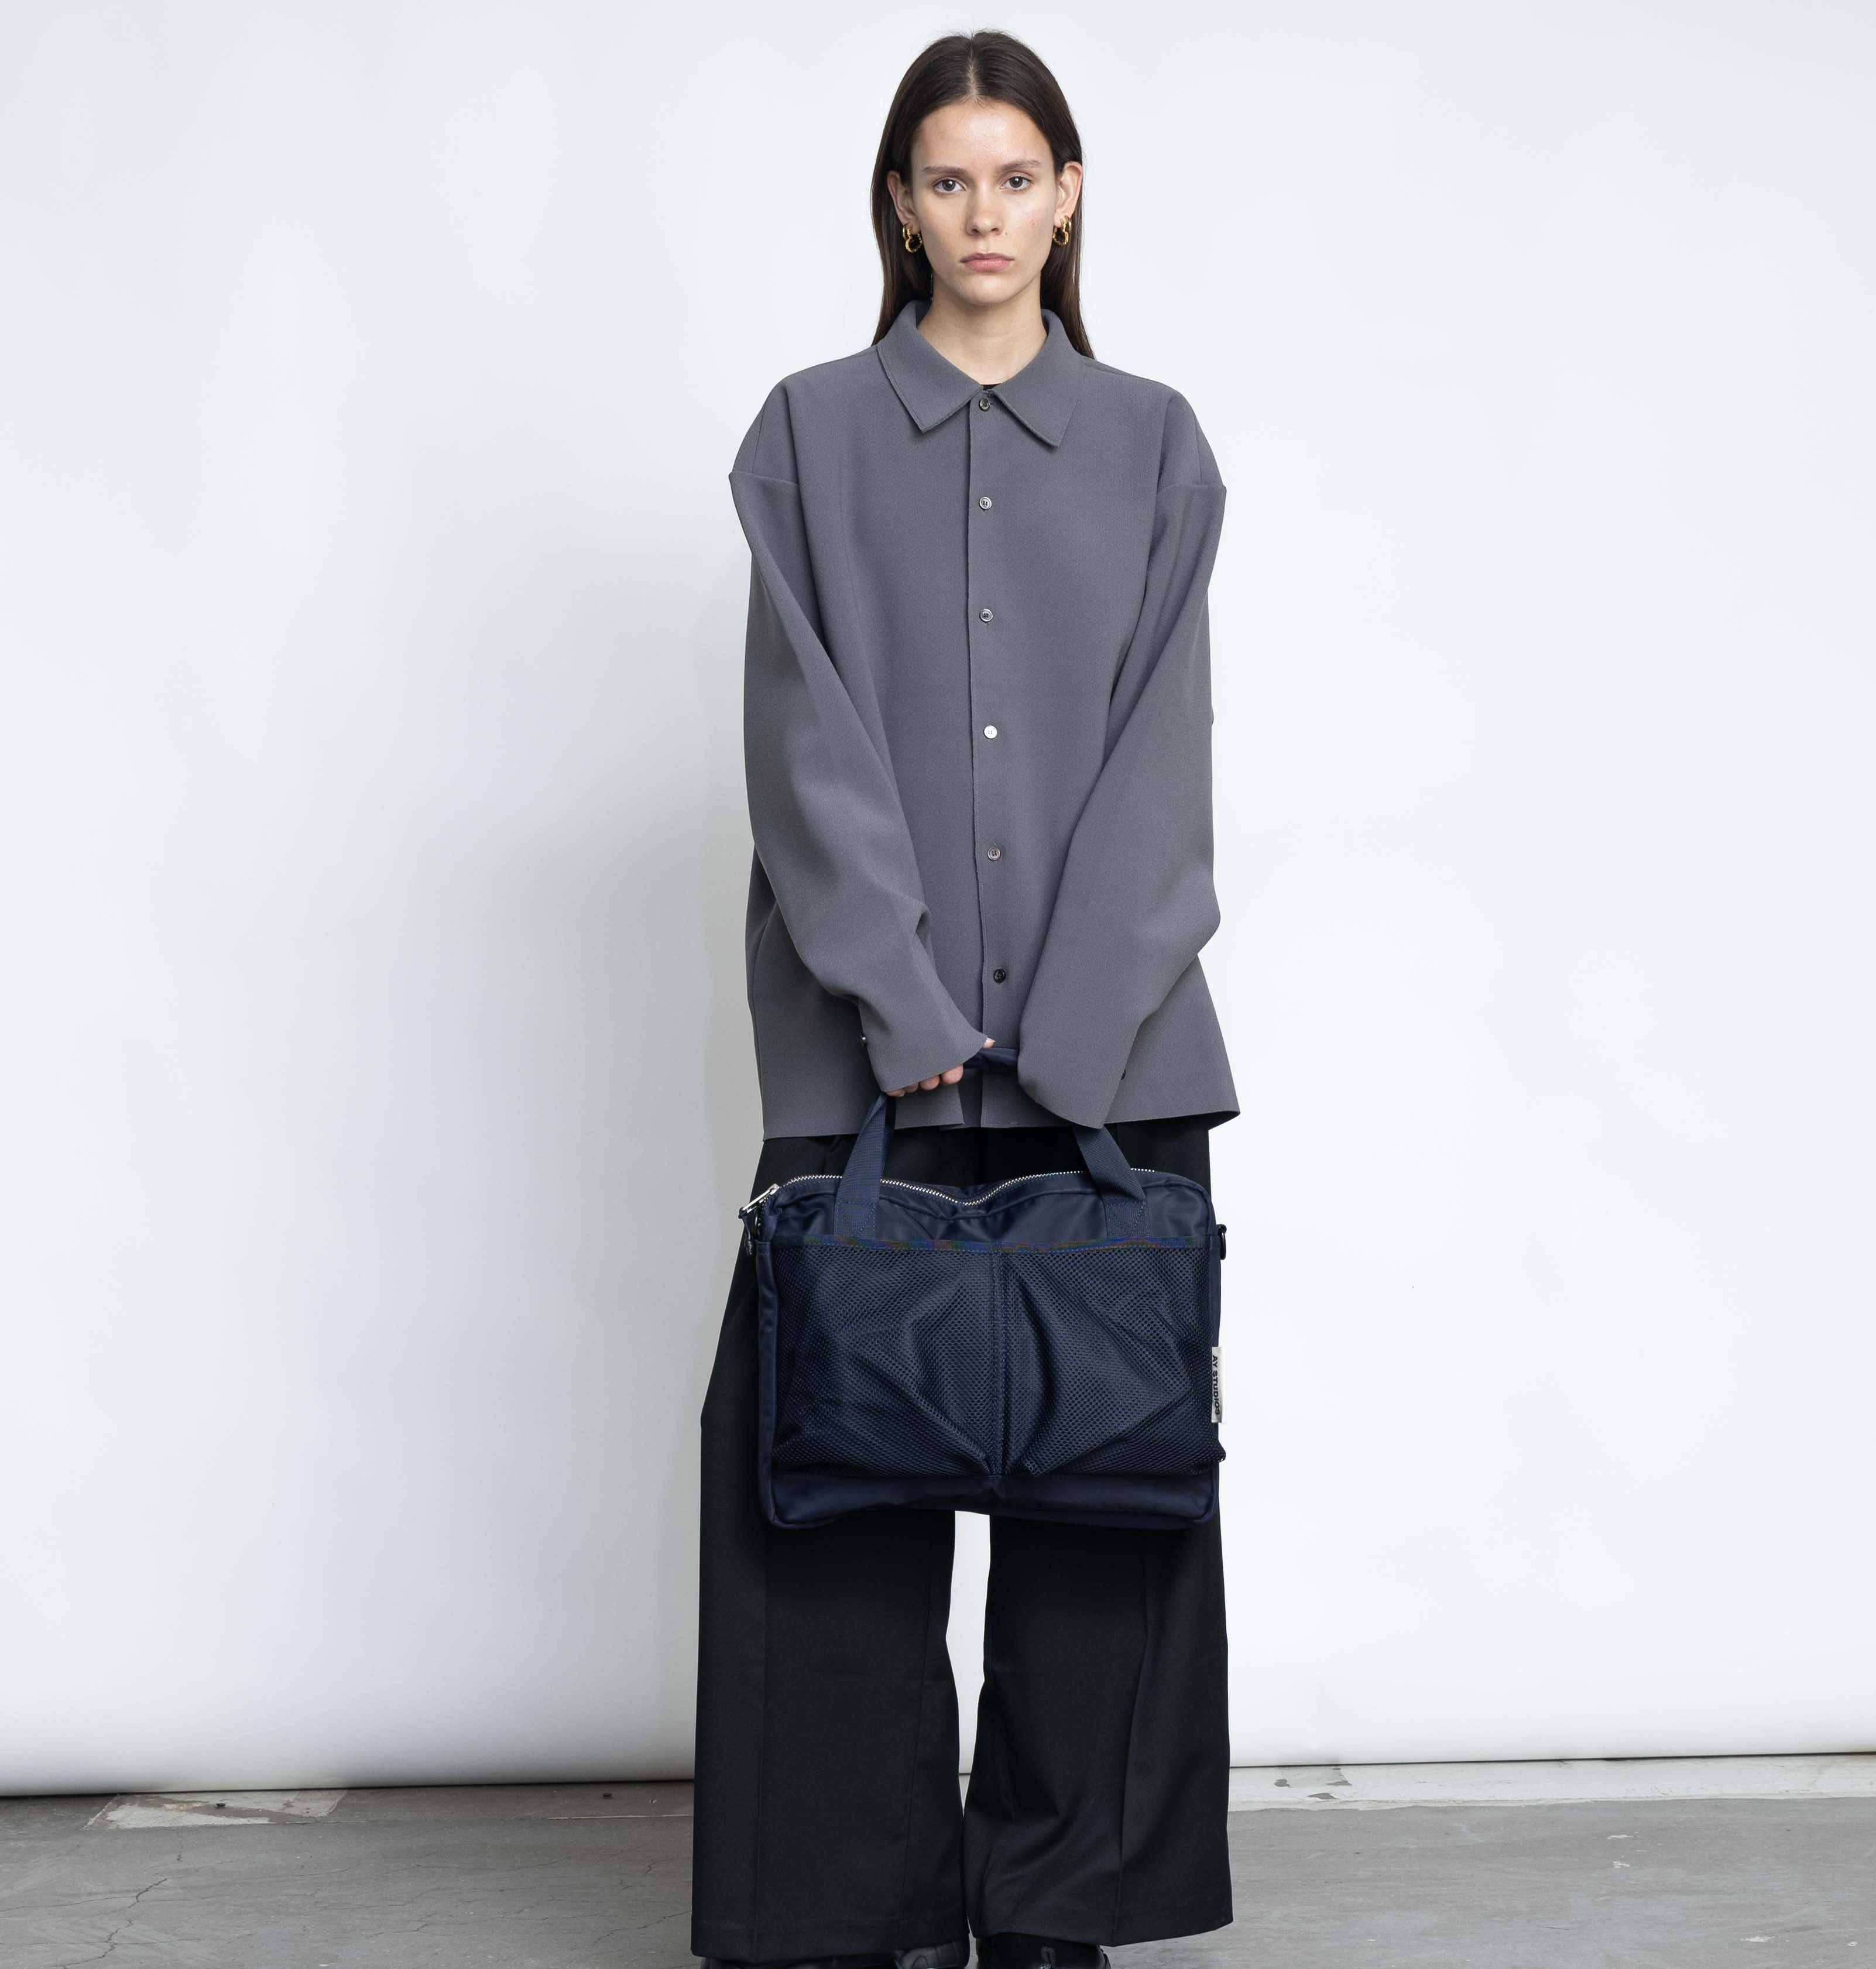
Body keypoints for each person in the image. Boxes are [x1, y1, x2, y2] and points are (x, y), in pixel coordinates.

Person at [692, 29, 1241, 1969]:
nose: (983, 213)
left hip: (1114, 1060)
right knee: (828, 1481)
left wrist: (1072, 1036)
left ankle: (1057, 1901)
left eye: (1016, 178)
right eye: (948, 179)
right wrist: (899, 997)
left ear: (1066, 197)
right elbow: (799, 744)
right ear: (899, 204)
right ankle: (847, 1901)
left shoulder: (1155, 443)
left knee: (1104, 1493)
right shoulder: (807, 435)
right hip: (870, 1058)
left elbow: (1164, 760)